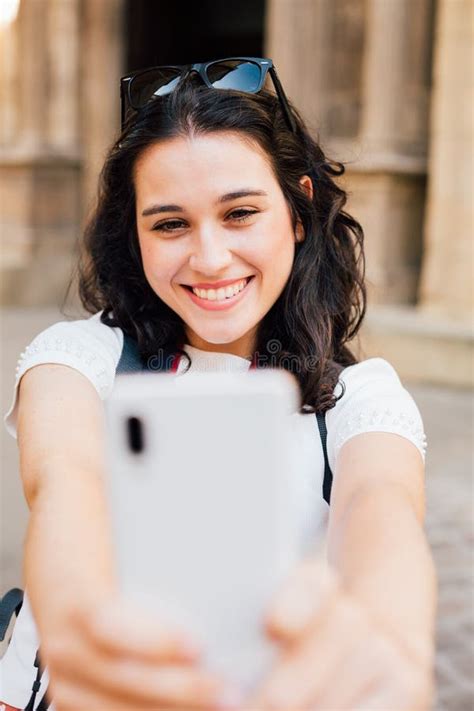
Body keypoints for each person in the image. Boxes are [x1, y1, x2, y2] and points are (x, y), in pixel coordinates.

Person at [0, 58, 436, 710]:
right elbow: (64, 478)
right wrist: (77, 615)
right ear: (136, 236)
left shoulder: (361, 398)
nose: (209, 258)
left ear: (297, 209)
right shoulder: (80, 355)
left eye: (239, 213)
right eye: (170, 223)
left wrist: (390, 638)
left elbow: (383, 507)